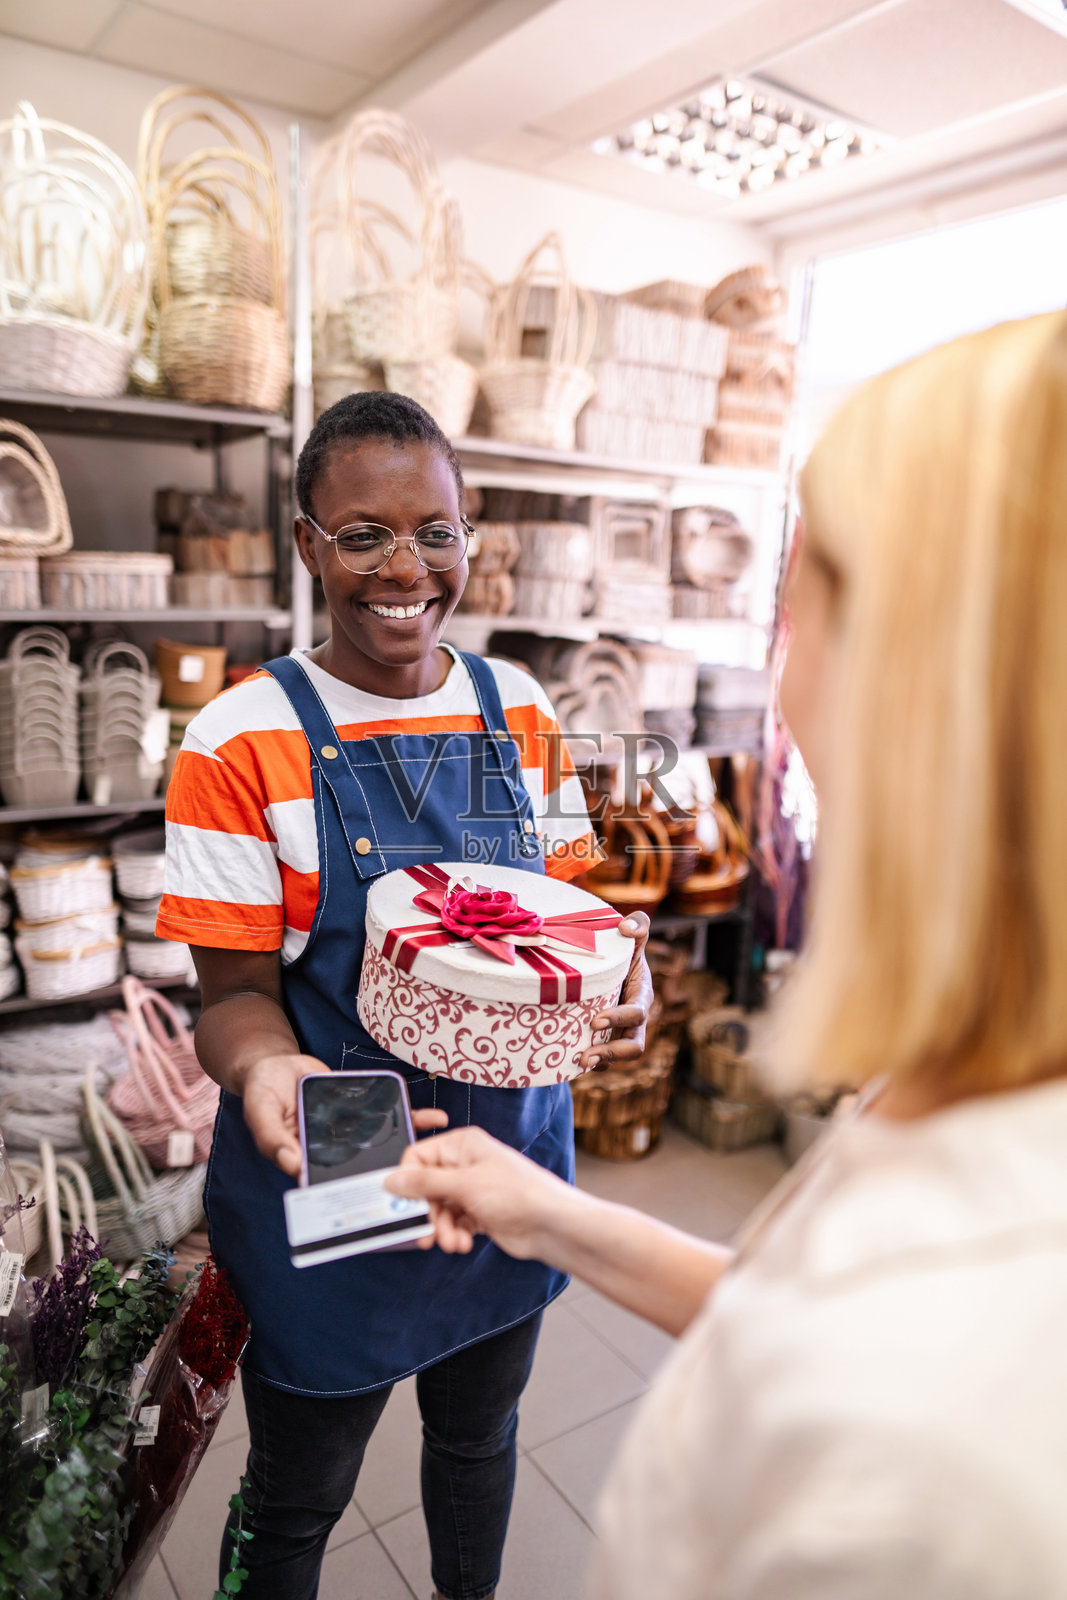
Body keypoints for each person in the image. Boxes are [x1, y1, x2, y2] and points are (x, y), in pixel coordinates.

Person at [387, 311, 1067, 1599]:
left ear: (924, 671)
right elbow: (790, 1311)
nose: (779, 673)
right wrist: (544, 1210)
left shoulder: (943, 1476)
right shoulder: (974, 1088)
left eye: (800, 589)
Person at [157, 391, 653, 1600]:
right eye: (363, 532)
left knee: (481, 1440)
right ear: (307, 544)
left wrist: (618, 974)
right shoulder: (239, 739)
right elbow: (230, 995)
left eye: (435, 530)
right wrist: (268, 1066)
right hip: (339, 1145)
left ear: (469, 536)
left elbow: (569, 922)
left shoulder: (522, 711)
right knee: (299, 1491)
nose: (404, 567)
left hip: (514, 1147)